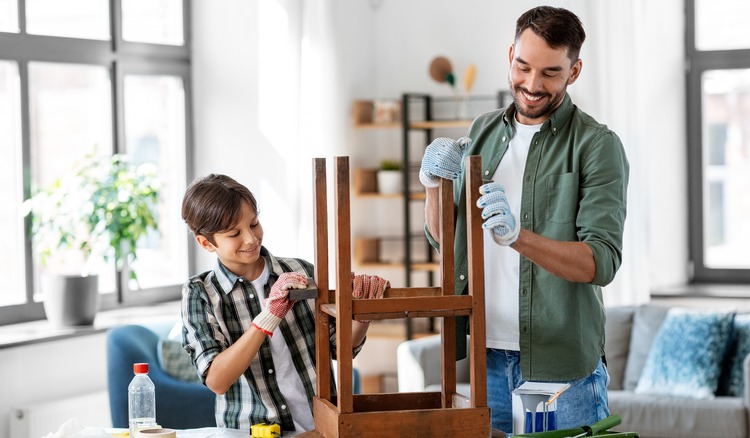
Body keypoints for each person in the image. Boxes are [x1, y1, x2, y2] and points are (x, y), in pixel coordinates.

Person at [419, 6, 629, 434]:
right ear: (510, 54)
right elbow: (448, 241)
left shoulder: (596, 146)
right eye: (523, 66)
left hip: (556, 370)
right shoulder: (481, 132)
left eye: (551, 72)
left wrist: (518, 237)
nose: (532, 85)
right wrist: (432, 185)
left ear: (575, 71)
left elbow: (600, 261)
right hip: (486, 358)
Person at [180, 174, 389, 433]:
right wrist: (269, 315)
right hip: (248, 432)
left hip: (320, 428)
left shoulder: (300, 271)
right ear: (206, 242)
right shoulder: (200, 293)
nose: (251, 239)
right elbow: (217, 380)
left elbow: (339, 348)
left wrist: (361, 315)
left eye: (254, 224)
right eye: (234, 233)